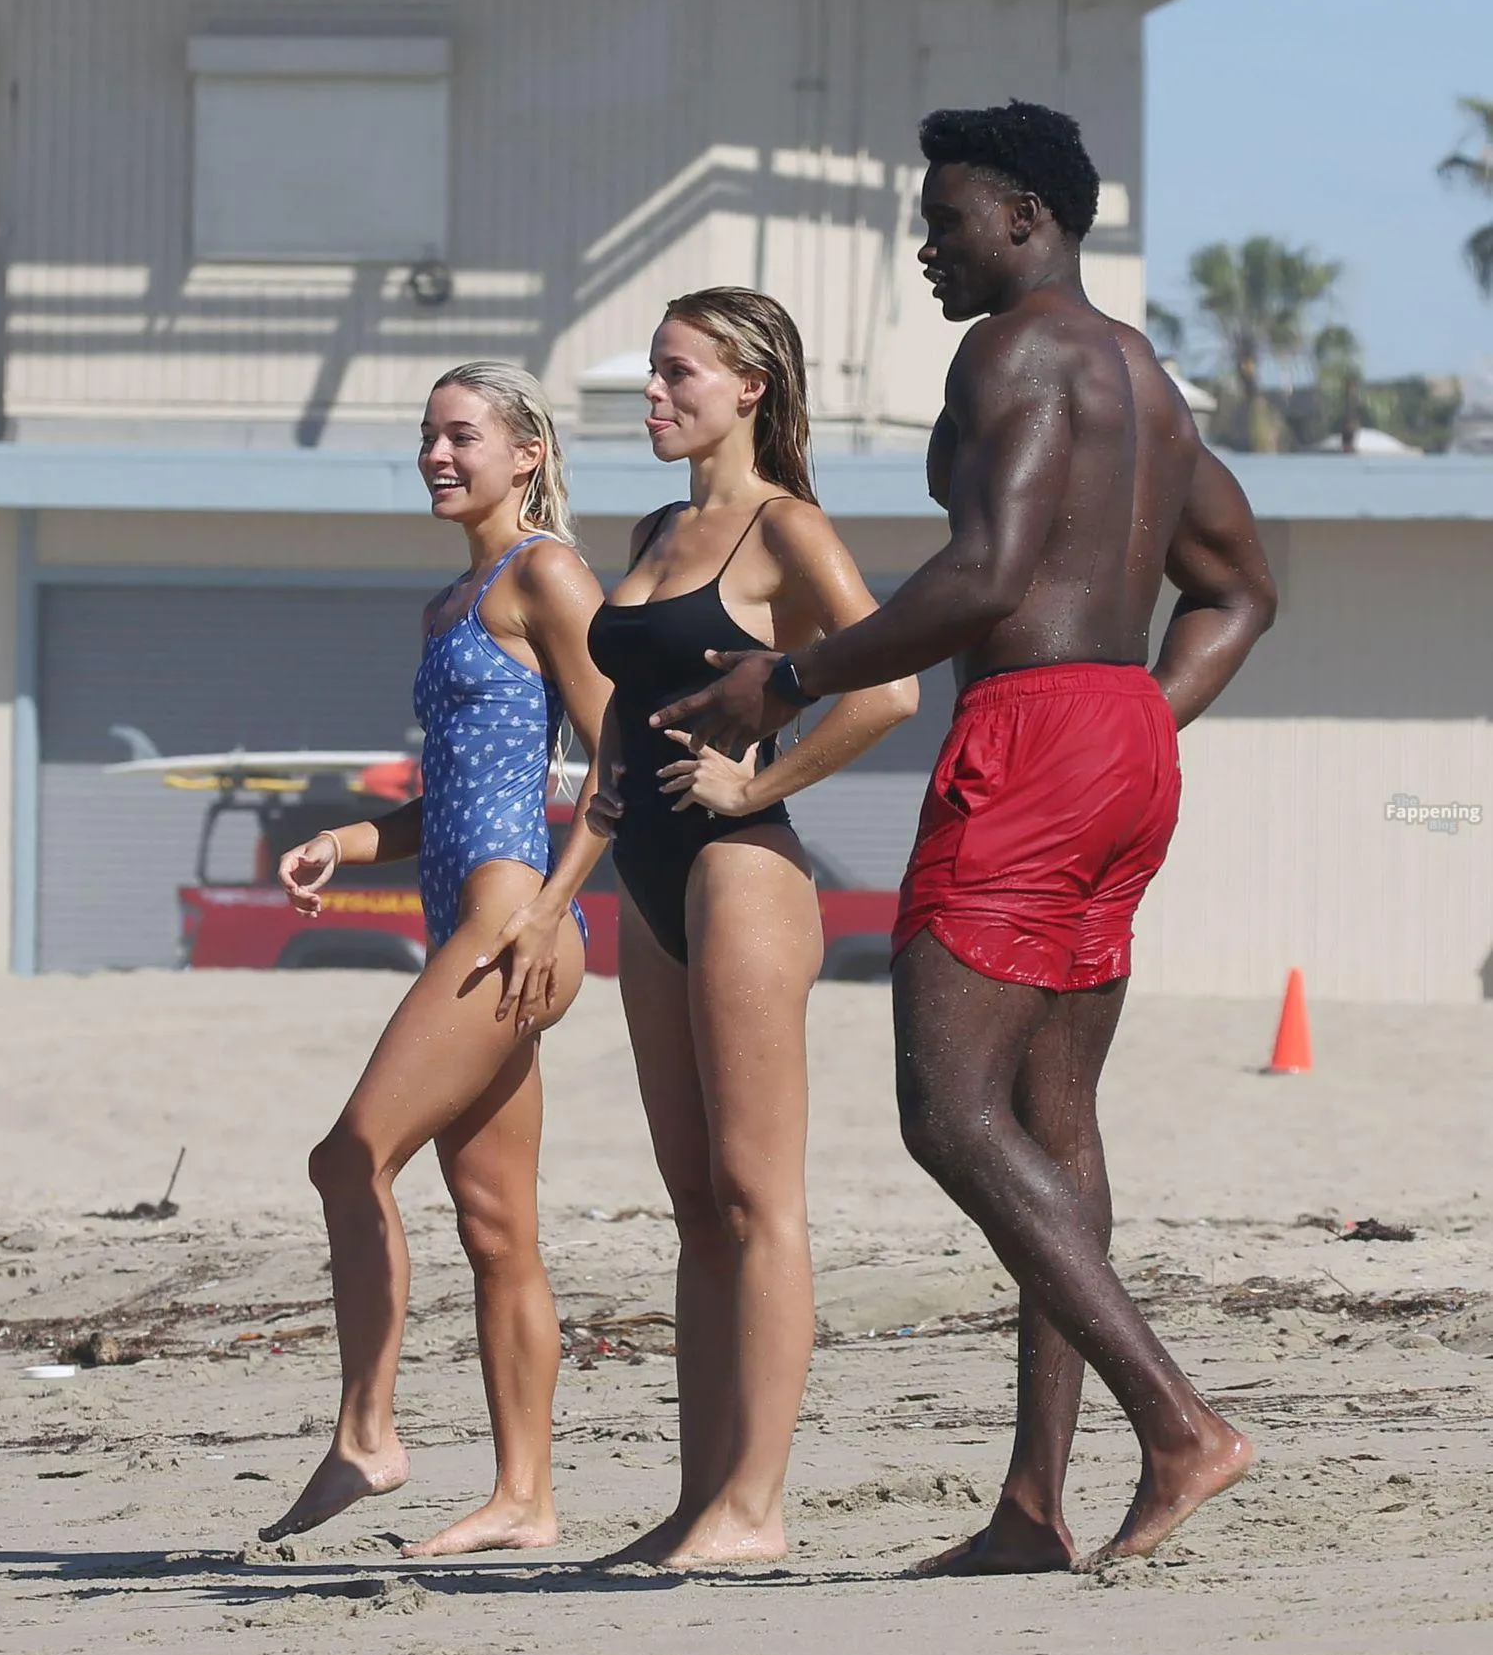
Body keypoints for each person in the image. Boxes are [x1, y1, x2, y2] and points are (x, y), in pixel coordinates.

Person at [653, 104, 1278, 1572]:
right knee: (1053, 1125)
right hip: (1119, 732)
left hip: (1036, 729)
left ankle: (1179, 1427)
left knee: (947, 1110)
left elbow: (989, 570)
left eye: (943, 222)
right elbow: (1239, 590)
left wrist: (789, 678)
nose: (925, 249)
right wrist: (1136, 719)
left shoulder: (1009, 350)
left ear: (1023, 219)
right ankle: (1033, 1507)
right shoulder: (1143, 377)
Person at [584, 286, 918, 1567]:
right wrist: (570, 875)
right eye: (654, 372)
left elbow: (889, 687)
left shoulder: (787, 529)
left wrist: (759, 781)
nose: (654, 394)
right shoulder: (658, 527)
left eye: (678, 373)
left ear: (749, 387)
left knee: (756, 1194)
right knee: (691, 1204)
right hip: (645, 877)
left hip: (742, 871)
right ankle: (697, 1501)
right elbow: (625, 717)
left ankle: (757, 1507)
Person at [259, 362, 612, 1557]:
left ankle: (367, 1433)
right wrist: (347, 841)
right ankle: (526, 1499)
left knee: (347, 1156)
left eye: (463, 435)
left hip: (510, 926)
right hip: (470, 916)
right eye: (427, 436)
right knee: (495, 1223)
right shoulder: (449, 605)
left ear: (527, 453)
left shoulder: (548, 573)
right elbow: (451, 794)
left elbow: (617, 755)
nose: (438, 455)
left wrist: (552, 909)